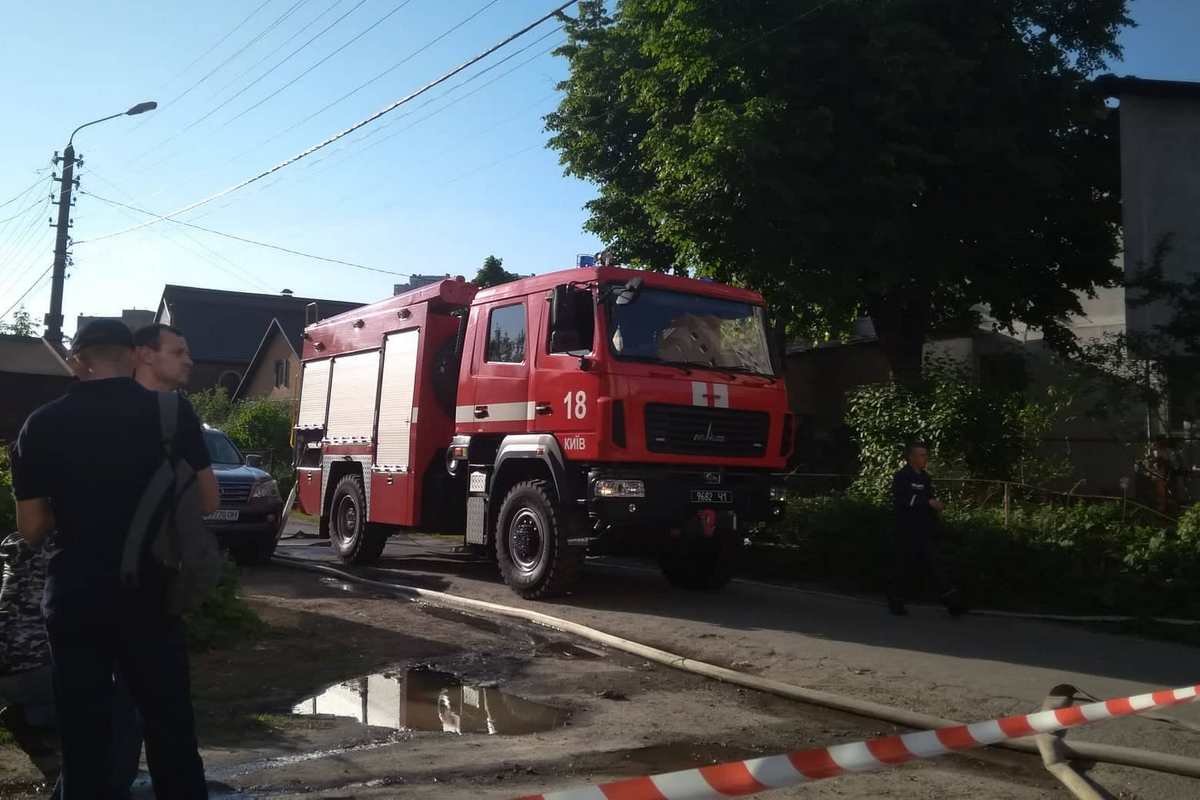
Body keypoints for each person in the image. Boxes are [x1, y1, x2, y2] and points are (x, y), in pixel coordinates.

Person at [10, 319, 218, 798]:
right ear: (131, 357)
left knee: (83, 734)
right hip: (151, 592)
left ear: (76, 360)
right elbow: (207, 500)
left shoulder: (40, 425)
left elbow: (33, 527)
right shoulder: (171, 412)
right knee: (170, 728)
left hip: (75, 596)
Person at [0, 530, 141, 798]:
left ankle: (54, 766)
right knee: (125, 706)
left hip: (5, 666)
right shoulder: (68, 546)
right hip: (36, 665)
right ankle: (106, 789)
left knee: (45, 708)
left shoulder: (17, 545)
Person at [888, 442, 964, 617]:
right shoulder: (902, 476)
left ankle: (953, 603)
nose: (925, 458)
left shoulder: (925, 477)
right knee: (905, 567)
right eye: (921, 455)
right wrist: (927, 502)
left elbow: (929, 498)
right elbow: (902, 500)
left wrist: (935, 511)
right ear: (911, 457)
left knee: (935, 564)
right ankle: (896, 601)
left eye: (925, 454)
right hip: (906, 530)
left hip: (924, 530)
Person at [133, 323, 194, 392]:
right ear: (147, 355)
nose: (189, 362)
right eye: (178, 353)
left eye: (188, 355)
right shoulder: (121, 400)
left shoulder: (178, 402)